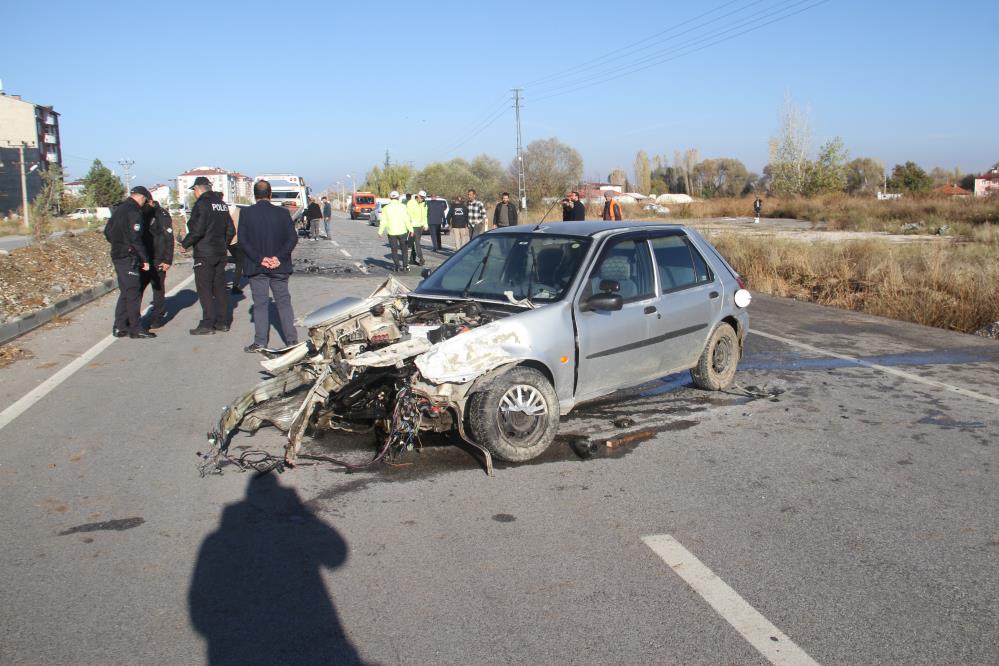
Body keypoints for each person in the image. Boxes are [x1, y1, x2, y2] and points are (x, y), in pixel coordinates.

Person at [238, 180, 299, 353]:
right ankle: (292, 341)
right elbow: (292, 238)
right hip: (279, 267)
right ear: (270, 194)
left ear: (254, 195)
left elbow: (243, 241)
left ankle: (260, 342)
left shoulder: (246, 213)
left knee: (260, 304)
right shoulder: (282, 213)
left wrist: (261, 259)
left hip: (257, 267)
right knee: (284, 302)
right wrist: (278, 258)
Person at [181, 176, 236, 335]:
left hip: (204, 254)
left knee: (204, 289)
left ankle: (207, 323)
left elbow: (197, 230)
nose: (194, 193)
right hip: (220, 253)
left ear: (198, 188)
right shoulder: (221, 204)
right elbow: (231, 230)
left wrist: (185, 244)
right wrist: (222, 244)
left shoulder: (202, 204)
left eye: (194, 190)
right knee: (219, 287)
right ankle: (223, 322)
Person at [105, 186, 154, 339]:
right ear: (142, 198)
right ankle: (136, 328)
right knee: (133, 292)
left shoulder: (120, 210)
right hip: (128, 257)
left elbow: (107, 232)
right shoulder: (134, 212)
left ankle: (120, 326)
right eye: (145, 201)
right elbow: (135, 238)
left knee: (126, 291)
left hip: (118, 254)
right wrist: (144, 259)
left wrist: (118, 243)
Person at [142, 199, 174, 328]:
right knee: (137, 289)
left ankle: (157, 317)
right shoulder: (141, 213)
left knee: (158, 289)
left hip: (158, 257)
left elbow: (168, 237)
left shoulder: (162, 215)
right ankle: (132, 318)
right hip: (144, 257)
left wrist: (167, 259)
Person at [377, 191, 413, 271]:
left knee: (394, 250)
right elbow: (406, 219)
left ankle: (397, 266)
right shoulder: (403, 207)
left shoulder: (386, 208)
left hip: (391, 232)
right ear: (398, 198)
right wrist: (411, 229)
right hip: (402, 231)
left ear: (390, 198)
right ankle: (405, 266)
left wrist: (380, 232)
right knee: (404, 249)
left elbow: (383, 221)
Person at [406, 190, 429, 265]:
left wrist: (425, 225)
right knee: (416, 243)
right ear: (418, 196)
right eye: (421, 197)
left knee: (415, 243)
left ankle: (412, 259)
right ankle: (421, 258)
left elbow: (425, 215)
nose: (422, 199)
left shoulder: (424, 203)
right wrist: (410, 228)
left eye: (424, 198)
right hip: (413, 226)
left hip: (420, 226)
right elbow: (408, 215)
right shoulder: (411, 203)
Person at [227, 204, 245, 294]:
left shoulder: (222, 211)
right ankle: (235, 286)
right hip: (236, 240)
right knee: (240, 261)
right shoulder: (239, 211)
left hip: (226, 241)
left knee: (238, 260)